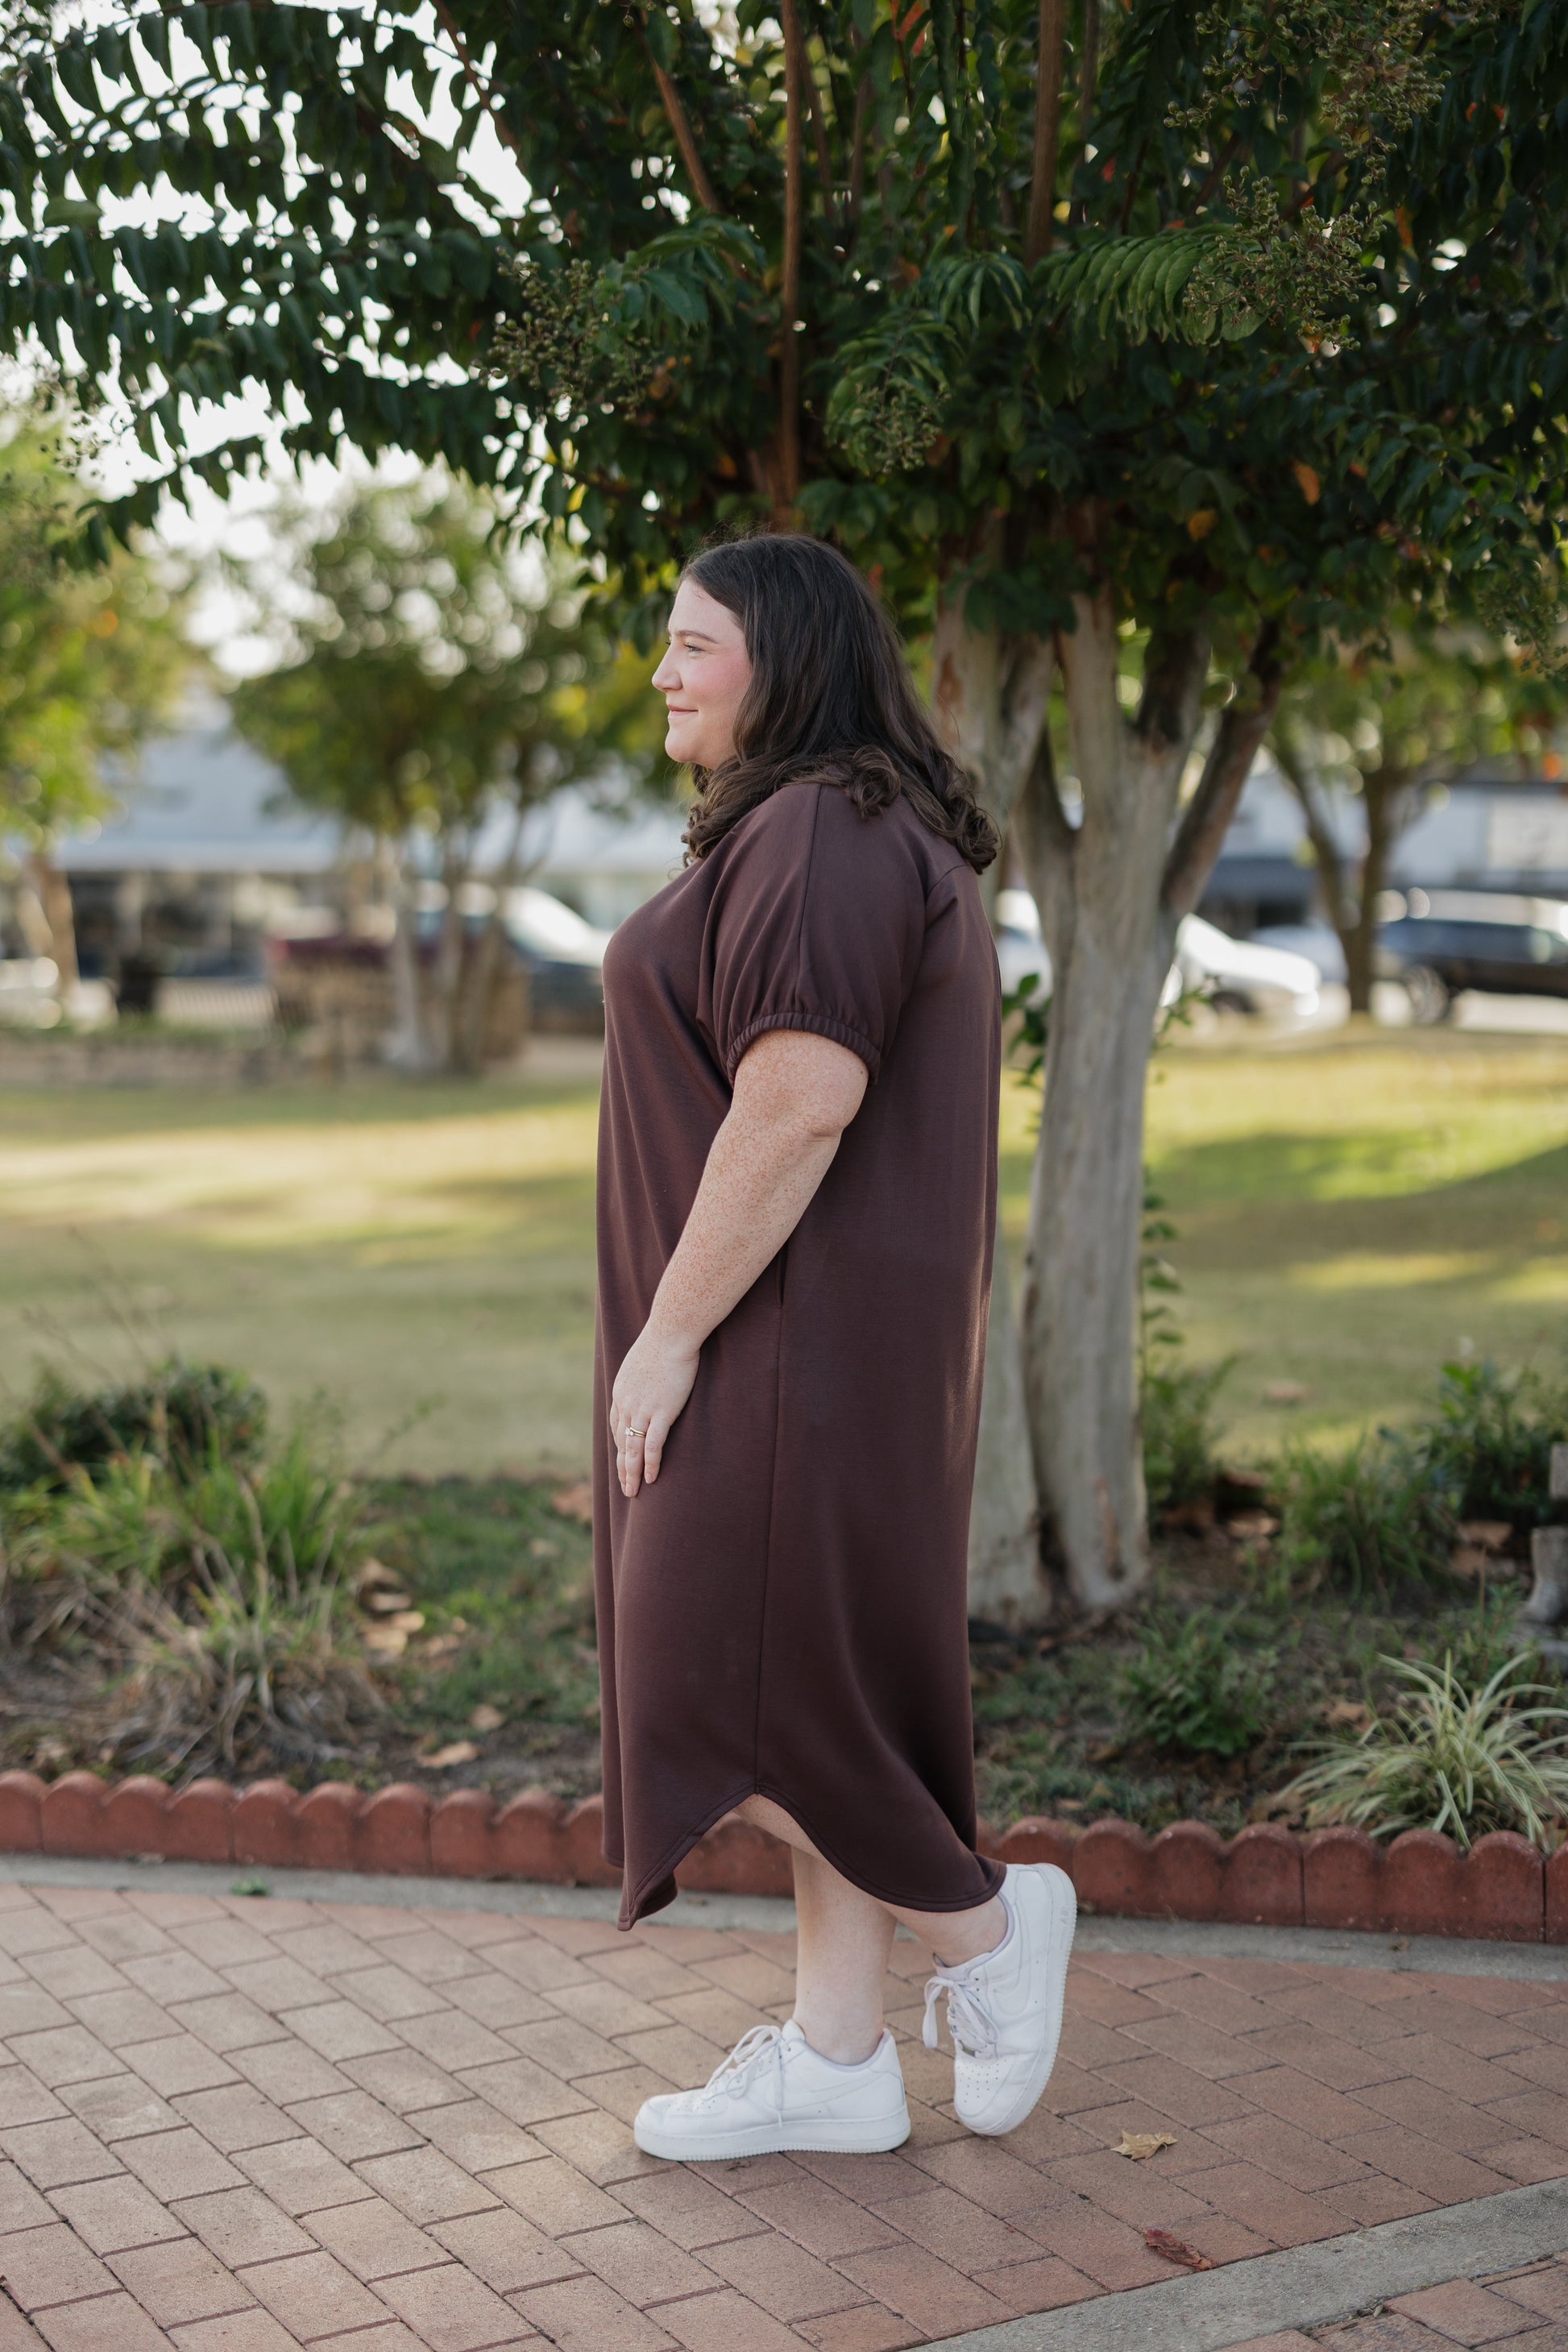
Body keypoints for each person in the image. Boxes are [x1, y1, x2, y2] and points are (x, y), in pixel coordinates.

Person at [591, 531, 1076, 2162]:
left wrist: (666, 1338)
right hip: (814, 1350)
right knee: (807, 1693)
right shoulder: (846, 828)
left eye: (693, 642)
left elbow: (800, 1097)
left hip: (780, 1351)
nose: (662, 670)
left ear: (783, 658)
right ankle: (837, 2056)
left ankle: (987, 1930)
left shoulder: (817, 828)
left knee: (710, 1696)